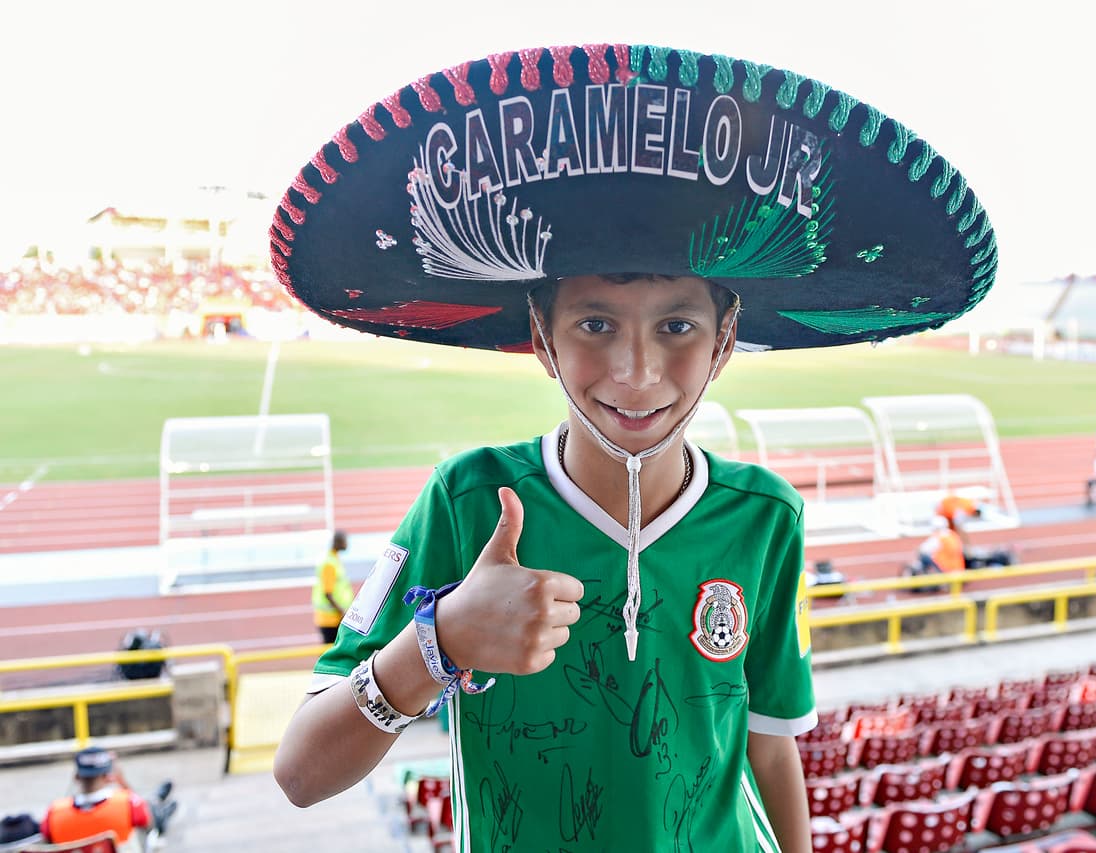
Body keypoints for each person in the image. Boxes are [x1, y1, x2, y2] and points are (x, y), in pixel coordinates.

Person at [268, 43, 996, 851]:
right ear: (540, 336)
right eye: (595, 323)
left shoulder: (765, 516)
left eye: (677, 327)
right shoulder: (466, 499)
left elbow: (770, 737)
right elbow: (300, 774)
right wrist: (437, 644)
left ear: (725, 342)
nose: (637, 372)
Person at [40, 747, 173, 853]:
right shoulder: (126, 802)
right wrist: (122, 781)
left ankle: (158, 798)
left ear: (76, 777)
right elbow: (149, 824)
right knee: (152, 811)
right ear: (110, 776)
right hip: (141, 811)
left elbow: (46, 839)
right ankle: (158, 800)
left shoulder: (54, 811)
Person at [313, 530, 353, 644]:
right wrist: (342, 612)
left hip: (335, 617)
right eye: (345, 541)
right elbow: (328, 593)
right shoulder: (329, 563)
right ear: (338, 542)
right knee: (329, 654)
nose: (347, 544)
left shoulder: (334, 559)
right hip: (330, 619)